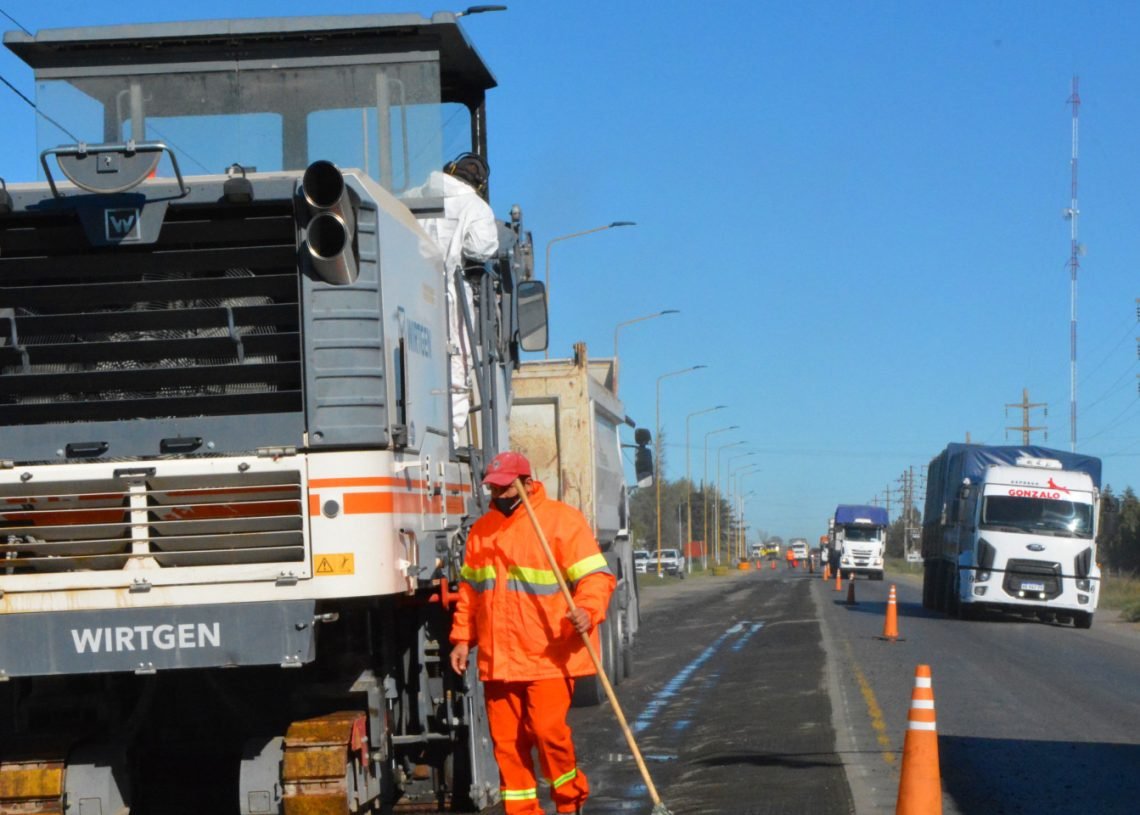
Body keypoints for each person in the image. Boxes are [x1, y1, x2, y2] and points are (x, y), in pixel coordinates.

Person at [449, 451, 615, 815]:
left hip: (548, 657)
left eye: (506, 487)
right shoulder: (481, 532)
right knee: (507, 745)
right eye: (493, 487)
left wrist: (587, 611)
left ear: (527, 483)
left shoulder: (561, 522)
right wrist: (462, 639)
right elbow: (471, 594)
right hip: (499, 661)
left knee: (547, 732)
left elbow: (596, 578)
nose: (498, 494)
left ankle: (569, 803)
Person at [410, 153, 500, 441]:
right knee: (456, 362)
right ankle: (451, 436)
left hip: (410, 290)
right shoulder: (475, 206)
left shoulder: (415, 194)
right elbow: (482, 249)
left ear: (450, 169)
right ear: (480, 184)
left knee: (414, 359)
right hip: (448, 294)